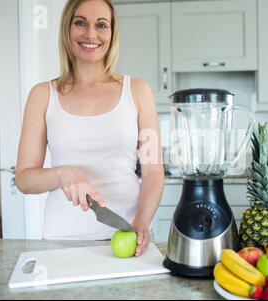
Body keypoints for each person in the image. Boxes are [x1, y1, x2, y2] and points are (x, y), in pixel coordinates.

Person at [15, 0, 164, 257]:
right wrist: (62, 174)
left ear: (112, 33)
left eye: (101, 25)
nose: (91, 34)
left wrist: (142, 221)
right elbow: (24, 179)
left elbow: (153, 171)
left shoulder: (138, 91)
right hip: (62, 239)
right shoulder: (42, 95)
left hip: (128, 233)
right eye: (80, 22)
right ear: (67, 29)